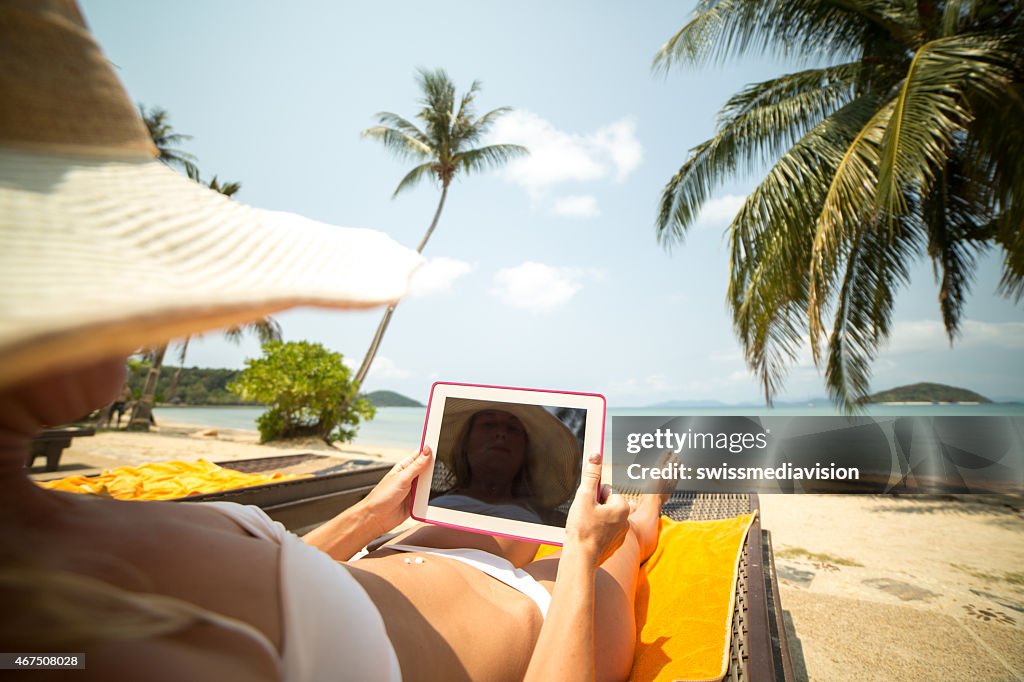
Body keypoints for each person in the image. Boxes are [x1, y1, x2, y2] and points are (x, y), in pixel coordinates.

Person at [0, 3, 664, 680]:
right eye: (94, 265)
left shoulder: (49, 550)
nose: (138, 306)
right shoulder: (88, 639)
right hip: (544, 619)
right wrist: (579, 557)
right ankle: (653, 503)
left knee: (503, 525)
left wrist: (371, 514)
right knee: (622, 541)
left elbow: (282, 585)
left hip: (397, 551)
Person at [430, 402, 583, 525]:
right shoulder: (425, 499)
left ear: (525, 451)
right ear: (465, 442)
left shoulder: (554, 520)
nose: (501, 434)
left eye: (512, 428)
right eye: (489, 424)